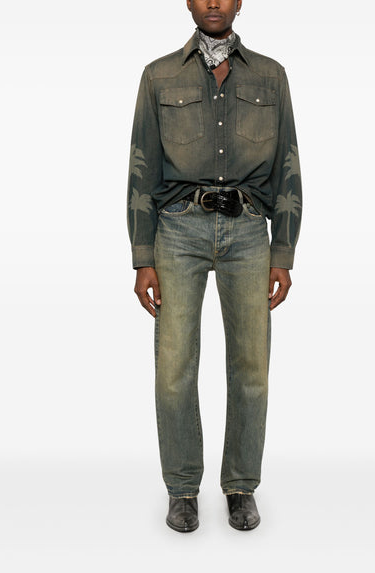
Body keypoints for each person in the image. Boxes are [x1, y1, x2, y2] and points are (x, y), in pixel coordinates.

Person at [126, 0, 302, 533]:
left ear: (240, 1)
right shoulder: (158, 76)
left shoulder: (271, 76)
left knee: (251, 366)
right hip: (177, 231)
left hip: (248, 230)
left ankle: (241, 485)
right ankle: (182, 489)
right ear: (188, 0)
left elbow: (288, 163)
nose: (214, 2)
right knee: (174, 366)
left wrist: (283, 250)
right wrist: (142, 256)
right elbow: (140, 166)